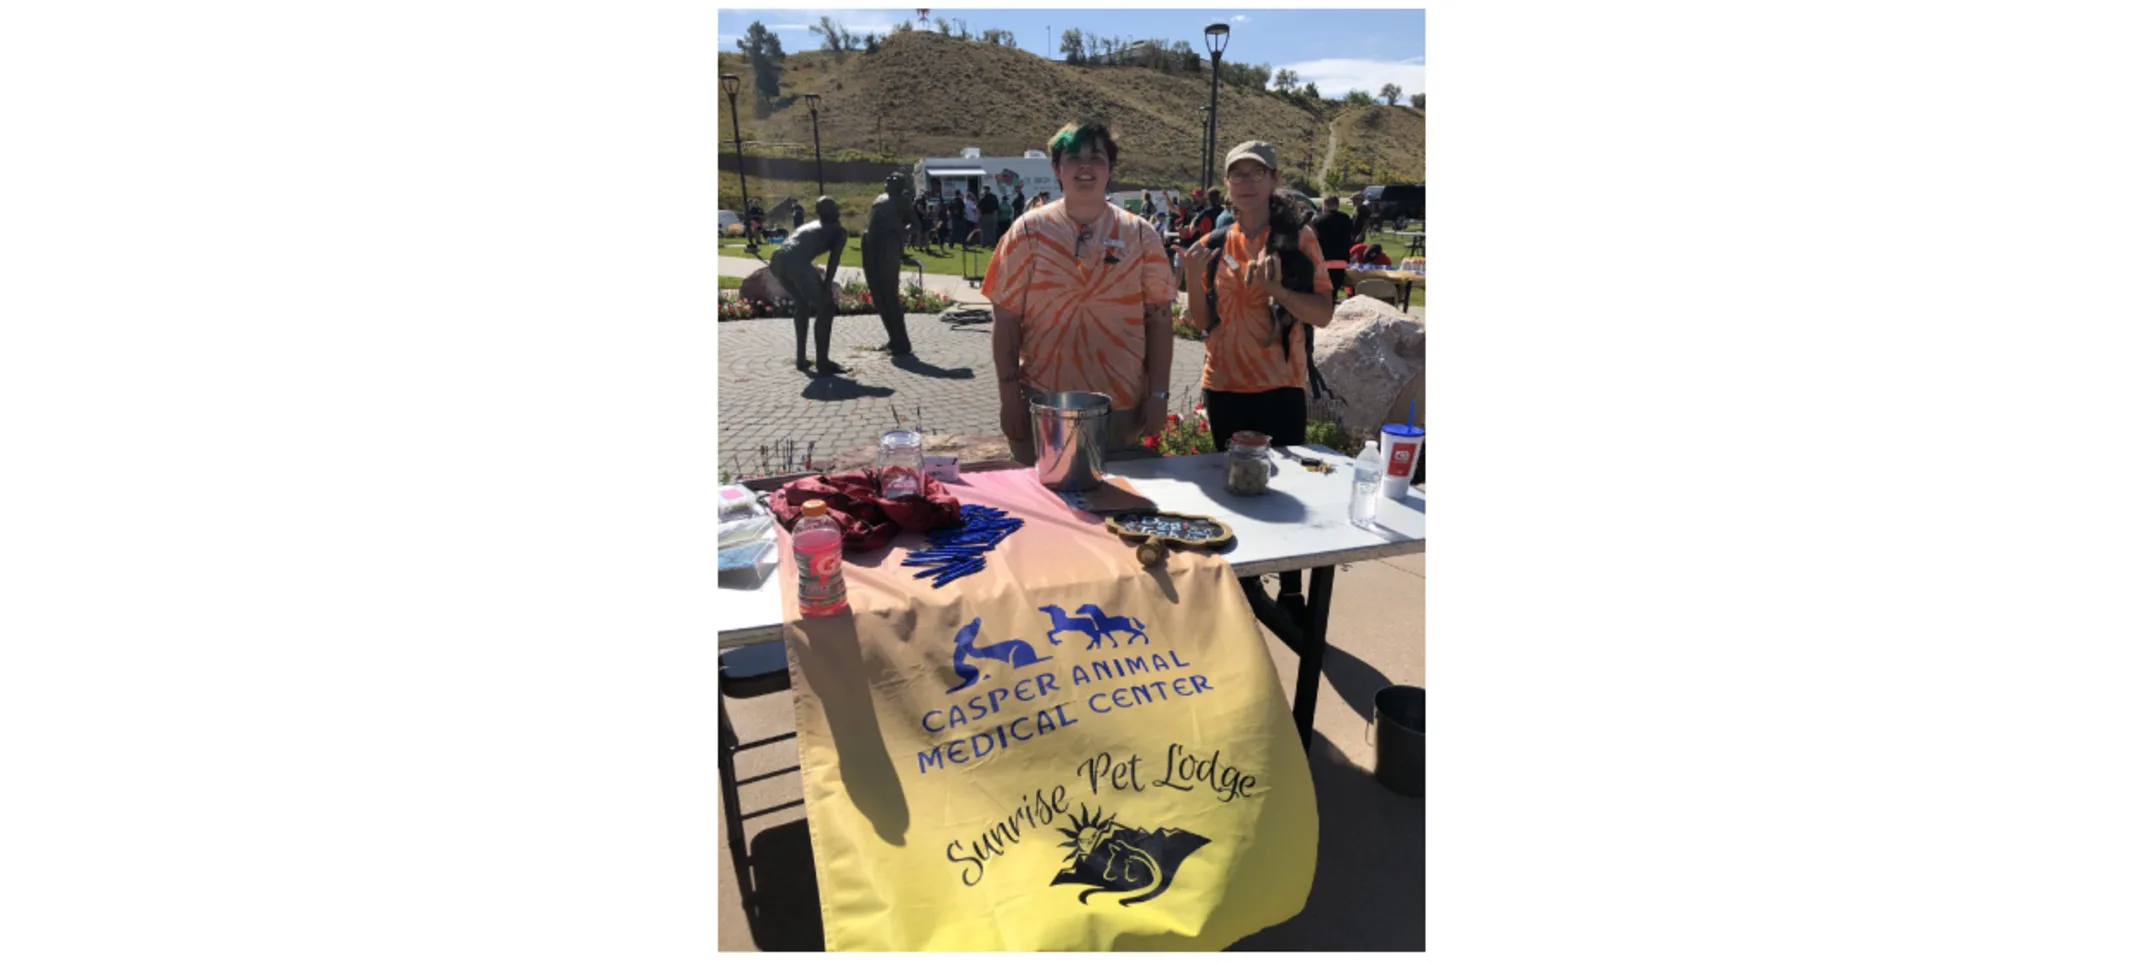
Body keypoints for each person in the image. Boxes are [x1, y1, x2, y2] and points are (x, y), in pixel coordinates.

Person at [1179, 141, 1336, 610]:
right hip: (1224, 386)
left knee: (1286, 492)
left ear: (1272, 179)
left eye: (1256, 173)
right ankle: (1246, 582)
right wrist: (1190, 278)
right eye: (1237, 174)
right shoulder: (1214, 244)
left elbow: (1323, 314)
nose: (1246, 182)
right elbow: (1201, 322)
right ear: (1226, 185)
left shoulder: (1298, 240)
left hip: (1278, 388)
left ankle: (1290, 590)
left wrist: (1276, 290)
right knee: (1236, 490)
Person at [983, 121, 1176, 467]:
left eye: (1096, 157)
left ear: (1110, 169)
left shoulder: (1140, 235)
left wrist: (1158, 393)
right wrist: (1009, 397)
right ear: (1057, 168)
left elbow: (1160, 321)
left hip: (1119, 409)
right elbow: (1006, 319)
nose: (1085, 166)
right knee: (1045, 511)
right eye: (1073, 157)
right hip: (1041, 407)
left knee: (1117, 511)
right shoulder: (1027, 233)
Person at [770, 197, 849, 375]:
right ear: (833, 211)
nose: (838, 208)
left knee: (802, 303)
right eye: (835, 206)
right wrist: (826, 287)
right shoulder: (839, 231)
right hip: (796, 262)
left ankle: (801, 359)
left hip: (777, 259)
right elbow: (833, 261)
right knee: (826, 307)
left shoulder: (810, 225)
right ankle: (822, 362)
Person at [862, 172, 918, 355]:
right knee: (877, 295)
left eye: (892, 179)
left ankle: (903, 341)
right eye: (887, 179)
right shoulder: (879, 198)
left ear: (900, 184)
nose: (887, 180)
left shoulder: (903, 200)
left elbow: (915, 225)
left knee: (889, 294)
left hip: (888, 248)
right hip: (870, 247)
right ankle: (893, 339)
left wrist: (899, 234)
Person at [1310, 194, 1357, 295]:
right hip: (1341, 259)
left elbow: (1313, 238)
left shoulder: (1318, 220)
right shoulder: (1346, 219)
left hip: (1324, 259)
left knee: (1323, 291)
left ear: (1324, 205)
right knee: (1335, 289)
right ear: (1337, 205)